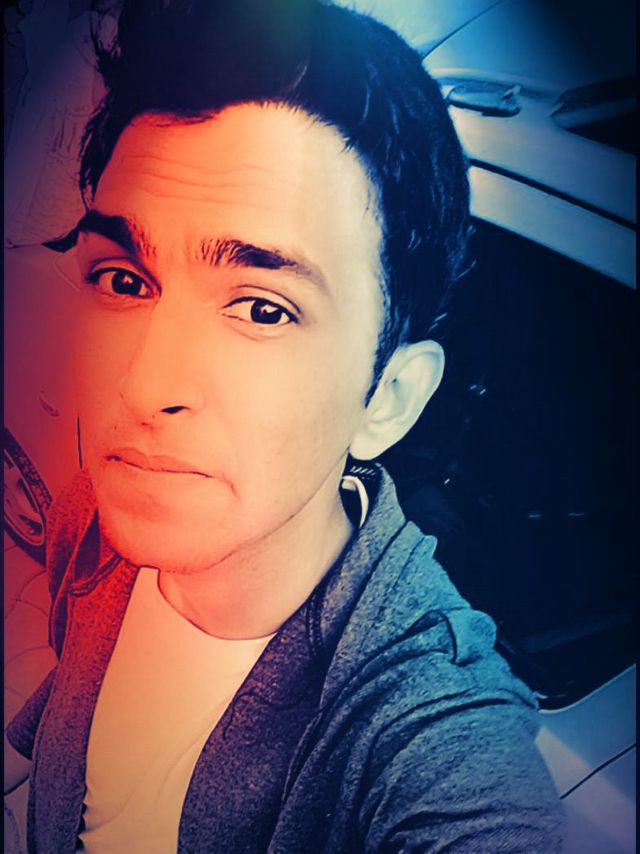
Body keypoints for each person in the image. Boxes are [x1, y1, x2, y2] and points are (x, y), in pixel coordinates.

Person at [5, 0, 564, 851]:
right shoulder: (96, 519)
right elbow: (72, 704)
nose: (143, 389)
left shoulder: (425, 732)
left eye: (263, 308)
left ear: (389, 397)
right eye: (124, 280)